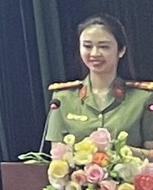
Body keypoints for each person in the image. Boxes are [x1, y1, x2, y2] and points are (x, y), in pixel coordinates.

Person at [43, 12, 152, 151]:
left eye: (104, 47)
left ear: (121, 50)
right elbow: (57, 154)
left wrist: (117, 152)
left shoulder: (143, 98)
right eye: (87, 46)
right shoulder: (62, 98)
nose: (94, 54)